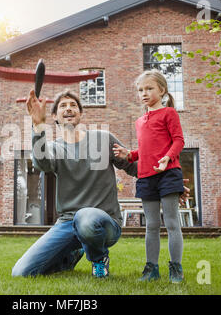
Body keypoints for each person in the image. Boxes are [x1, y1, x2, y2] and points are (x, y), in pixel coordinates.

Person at [12, 89, 138, 278]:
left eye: (73, 105)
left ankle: (99, 258)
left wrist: (171, 183)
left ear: (80, 113)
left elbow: (134, 167)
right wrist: (38, 126)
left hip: (104, 222)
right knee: (21, 272)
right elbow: (42, 163)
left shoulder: (103, 139)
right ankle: (71, 256)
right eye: (63, 106)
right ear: (54, 116)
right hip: (67, 223)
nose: (69, 109)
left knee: (85, 217)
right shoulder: (55, 148)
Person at [113, 69, 185, 283]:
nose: (144, 93)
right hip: (146, 176)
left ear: (162, 90)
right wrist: (130, 155)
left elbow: (179, 141)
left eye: (149, 88)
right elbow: (145, 149)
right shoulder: (139, 121)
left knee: (172, 222)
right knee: (151, 224)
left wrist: (168, 158)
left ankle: (176, 269)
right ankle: (151, 269)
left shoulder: (169, 113)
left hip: (168, 173)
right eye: (140, 90)